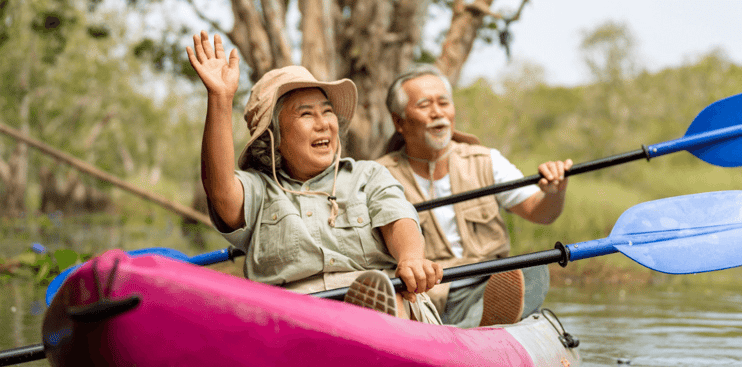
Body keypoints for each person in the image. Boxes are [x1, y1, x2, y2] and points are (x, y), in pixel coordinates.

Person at [186, 31, 443, 324]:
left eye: (328, 111)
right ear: (274, 138)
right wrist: (220, 98)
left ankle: (470, 319)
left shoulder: (367, 175)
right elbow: (220, 191)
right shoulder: (260, 190)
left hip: (381, 302)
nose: (323, 124)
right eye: (306, 114)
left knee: (391, 294)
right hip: (295, 319)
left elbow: (399, 219)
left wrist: (410, 258)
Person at [376, 64, 573, 327]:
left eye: (444, 103)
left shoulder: (486, 160)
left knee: (534, 270)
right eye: (424, 105)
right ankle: (467, 333)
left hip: (487, 287)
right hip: (420, 296)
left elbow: (542, 212)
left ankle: (469, 330)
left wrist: (555, 191)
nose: (438, 113)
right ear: (398, 122)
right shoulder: (377, 175)